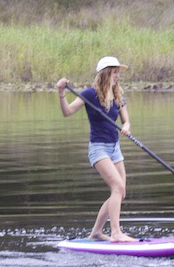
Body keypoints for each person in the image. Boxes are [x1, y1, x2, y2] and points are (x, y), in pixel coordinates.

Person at [57, 56, 134, 242]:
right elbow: (67, 112)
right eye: (115, 72)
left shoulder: (118, 95)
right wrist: (61, 93)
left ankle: (97, 233)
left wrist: (126, 127)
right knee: (117, 186)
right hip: (98, 149)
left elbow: (126, 120)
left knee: (120, 192)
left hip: (114, 148)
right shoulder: (90, 95)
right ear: (106, 73)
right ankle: (116, 233)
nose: (117, 76)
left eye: (118, 73)